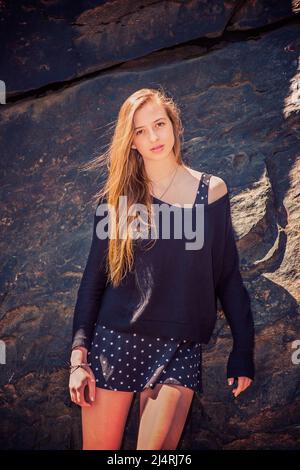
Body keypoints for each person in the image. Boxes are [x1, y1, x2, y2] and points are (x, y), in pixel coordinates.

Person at [69, 88, 255, 450]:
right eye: (140, 131)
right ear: (131, 141)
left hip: (178, 347)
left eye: (159, 124)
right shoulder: (120, 199)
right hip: (115, 342)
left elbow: (227, 276)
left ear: (174, 126)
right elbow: (93, 283)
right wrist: (79, 357)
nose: (153, 137)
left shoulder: (211, 191)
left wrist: (243, 350)